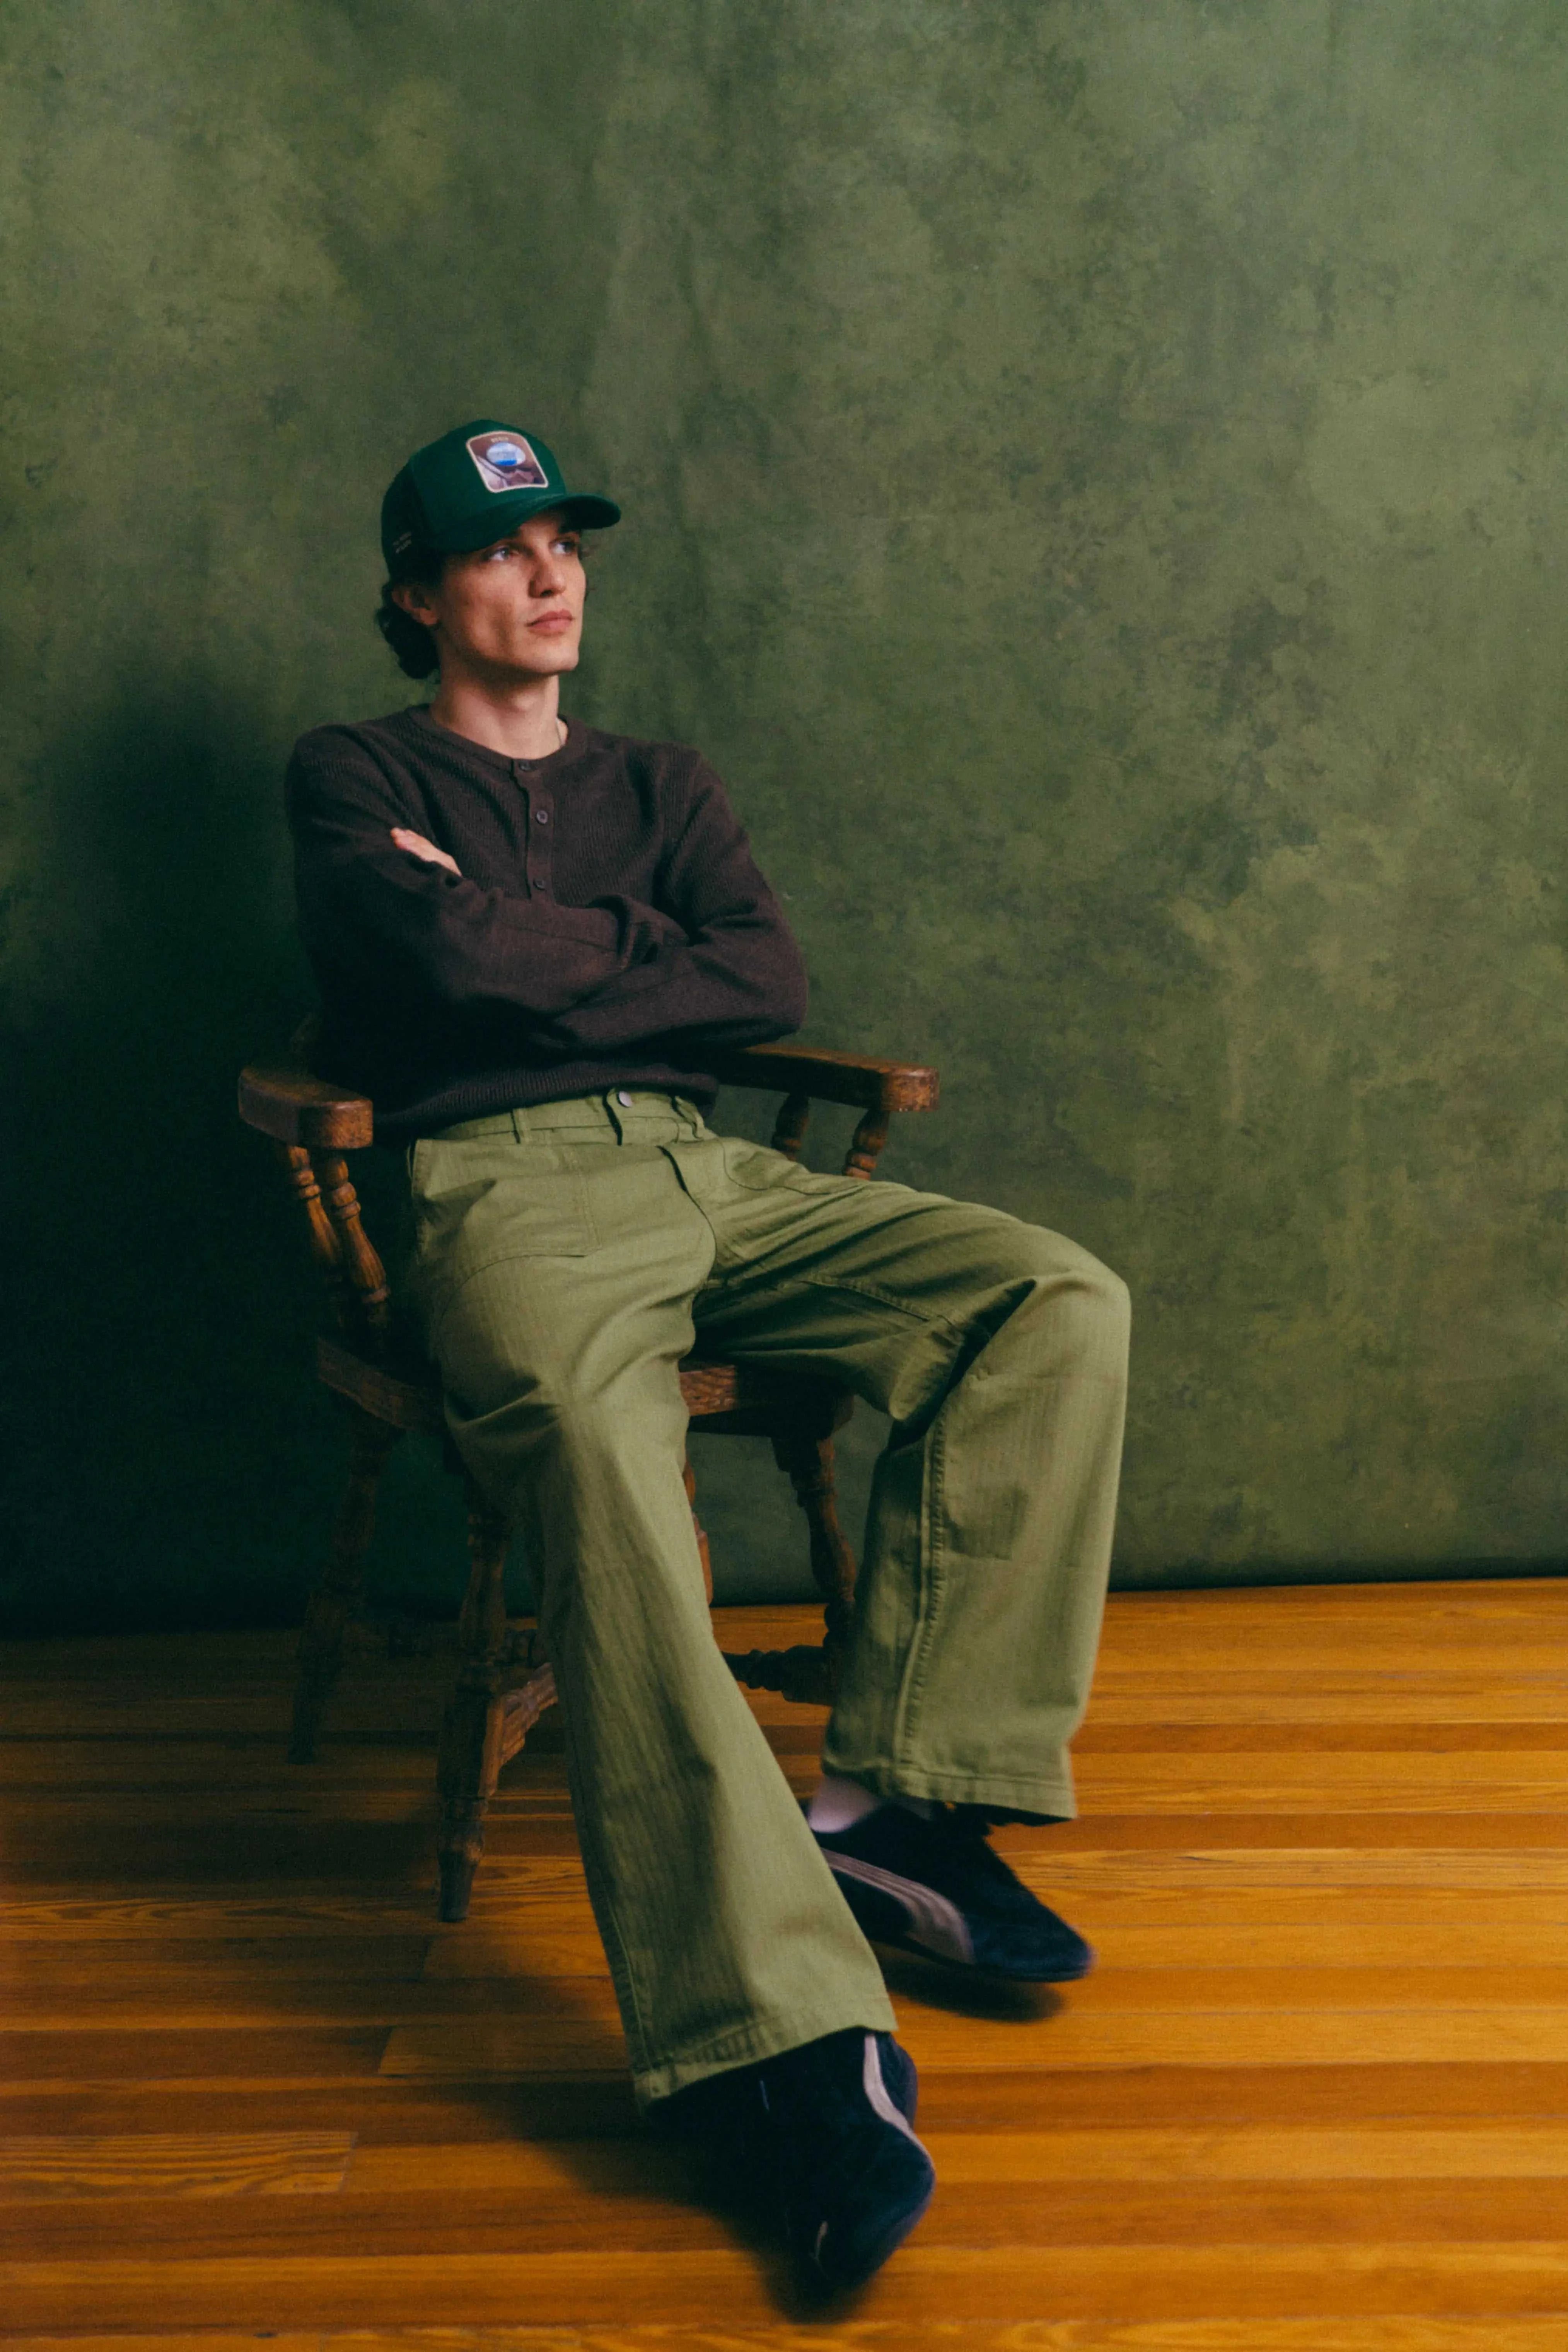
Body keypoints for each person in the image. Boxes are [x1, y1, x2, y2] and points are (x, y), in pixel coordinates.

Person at [286, 419, 1131, 2292]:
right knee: (603, 1463)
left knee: (1053, 1295)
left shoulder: (664, 779)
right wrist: (625, 955)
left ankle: (900, 1808)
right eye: (500, 549)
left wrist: (510, 933)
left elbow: (764, 983)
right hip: (504, 1198)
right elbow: (434, 973)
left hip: (716, 1171)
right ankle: (778, 2042)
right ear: (417, 592)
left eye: (567, 542)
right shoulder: (353, 772)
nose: (550, 573)